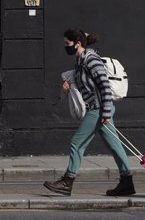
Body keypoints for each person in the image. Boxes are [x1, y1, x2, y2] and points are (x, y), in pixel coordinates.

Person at [43, 29, 135, 197]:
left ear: (77, 44)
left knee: (77, 143)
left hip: (99, 109)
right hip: (99, 108)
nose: (65, 46)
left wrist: (105, 112)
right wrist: (68, 86)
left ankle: (67, 181)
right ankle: (127, 182)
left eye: (67, 43)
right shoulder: (80, 60)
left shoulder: (91, 60)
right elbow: (84, 85)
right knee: (114, 146)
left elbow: (105, 87)